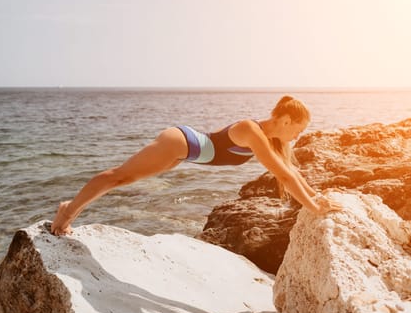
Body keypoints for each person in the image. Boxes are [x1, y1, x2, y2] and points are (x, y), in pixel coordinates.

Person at [51, 95, 342, 235]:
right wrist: (314, 207)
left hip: (185, 153)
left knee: (123, 179)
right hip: (179, 143)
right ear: (286, 120)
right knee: (119, 177)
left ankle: (70, 208)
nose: (298, 135)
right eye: (299, 129)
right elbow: (283, 175)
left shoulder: (274, 139)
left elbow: (292, 172)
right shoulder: (252, 131)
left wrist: (316, 197)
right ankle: (67, 211)